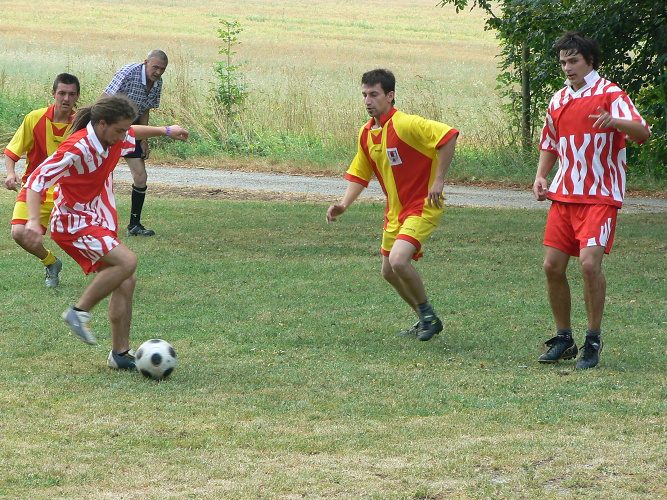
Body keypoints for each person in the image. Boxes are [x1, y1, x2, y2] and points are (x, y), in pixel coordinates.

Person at [21, 95, 188, 370]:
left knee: (126, 280)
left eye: (124, 130)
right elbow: (37, 180)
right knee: (127, 261)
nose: (123, 137)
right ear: (101, 124)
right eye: (119, 130)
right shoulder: (77, 147)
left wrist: (166, 130)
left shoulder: (115, 136)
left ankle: (119, 354)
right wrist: (31, 222)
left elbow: (133, 132)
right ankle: (79, 312)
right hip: (72, 222)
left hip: (95, 219)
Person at [533, 31, 650, 369]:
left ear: (590, 61)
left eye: (573, 61)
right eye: (563, 63)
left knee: (588, 264)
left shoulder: (611, 93)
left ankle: (593, 340)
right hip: (564, 195)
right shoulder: (558, 99)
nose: (567, 68)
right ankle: (564, 339)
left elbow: (643, 131)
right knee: (552, 266)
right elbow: (550, 142)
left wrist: (615, 121)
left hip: (600, 195)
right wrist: (541, 176)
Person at [326, 69, 458, 341]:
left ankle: (428, 316)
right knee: (388, 271)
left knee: (399, 261)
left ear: (390, 96)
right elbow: (361, 173)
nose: (368, 101)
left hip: (423, 205)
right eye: (364, 95)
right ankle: (425, 319)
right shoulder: (366, 133)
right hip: (395, 212)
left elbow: (448, 136)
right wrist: (344, 204)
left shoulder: (406, 124)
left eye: (374, 94)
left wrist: (438, 181)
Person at [4, 73, 80, 287]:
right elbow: (12, 151)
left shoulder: (81, 124)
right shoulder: (34, 118)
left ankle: (112, 270)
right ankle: (50, 262)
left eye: (71, 94)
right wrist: (10, 173)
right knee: (18, 232)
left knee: (81, 237)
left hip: (67, 192)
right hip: (34, 188)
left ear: (77, 97)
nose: (66, 98)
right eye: (62, 93)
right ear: (53, 93)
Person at [101, 49, 169, 237]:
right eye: (155, 67)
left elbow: (145, 109)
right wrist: (99, 130)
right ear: (145, 62)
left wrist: (144, 139)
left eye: (162, 69)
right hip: (111, 129)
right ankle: (97, 222)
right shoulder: (128, 72)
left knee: (140, 176)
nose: (158, 72)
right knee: (102, 176)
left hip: (131, 131)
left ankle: (134, 225)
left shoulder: (157, 83)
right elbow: (104, 98)